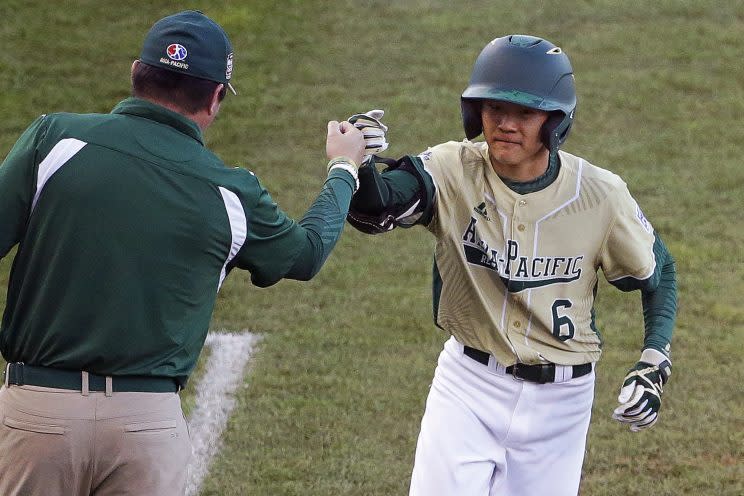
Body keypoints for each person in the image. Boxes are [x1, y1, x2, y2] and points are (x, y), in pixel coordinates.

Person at [0, 10, 364, 496]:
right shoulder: (230, 191)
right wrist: (344, 168)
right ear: (215, 98)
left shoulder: (53, 140)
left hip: (37, 415)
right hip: (147, 429)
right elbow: (305, 253)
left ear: (136, 72)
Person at [346, 34, 677, 495]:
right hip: (468, 387)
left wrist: (654, 357)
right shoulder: (449, 169)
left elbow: (659, 274)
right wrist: (358, 163)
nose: (505, 124)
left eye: (525, 113)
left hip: (562, 405)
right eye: (495, 108)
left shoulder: (601, 195)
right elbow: (378, 207)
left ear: (555, 121)